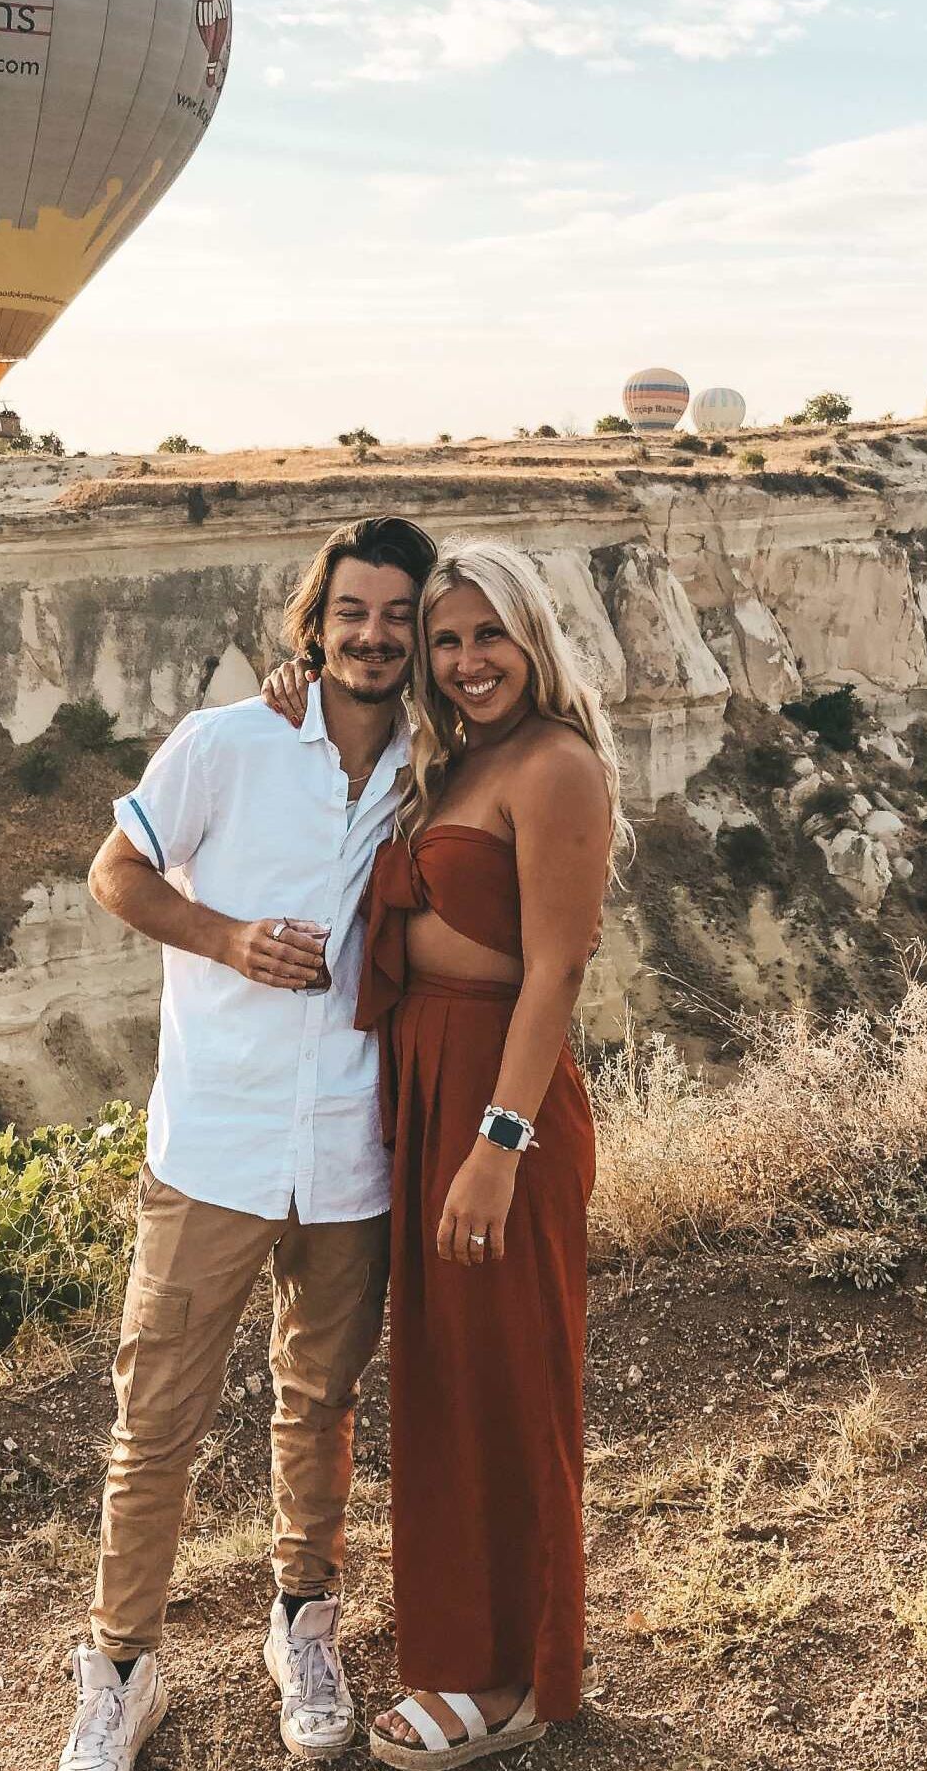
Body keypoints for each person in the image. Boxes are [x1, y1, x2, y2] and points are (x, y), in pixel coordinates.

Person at [58, 515, 440, 1771]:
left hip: (351, 1147)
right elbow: (117, 872)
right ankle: (119, 1671)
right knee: (156, 1414)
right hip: (214, 1139)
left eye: (398, 616)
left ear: (418, 633)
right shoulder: (228, 741)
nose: (373, 636)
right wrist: (222, 937)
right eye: (352, 614)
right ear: (314, 624)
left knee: (318, 1400)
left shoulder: (436, 766)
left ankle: (302, 1623)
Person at [264, 538, 622, 1766]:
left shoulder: (557, 765)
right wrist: (291, 686)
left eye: (490, 636)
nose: (469, 661)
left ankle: (519, 1678)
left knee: (508, 1382)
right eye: (448, 639)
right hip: (421, 1088)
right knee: (442, 1382)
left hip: (494, 1101)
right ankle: (464, 1649)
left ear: (535, 640)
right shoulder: (451, 762)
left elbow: (558, 969)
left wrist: (498, 1146)